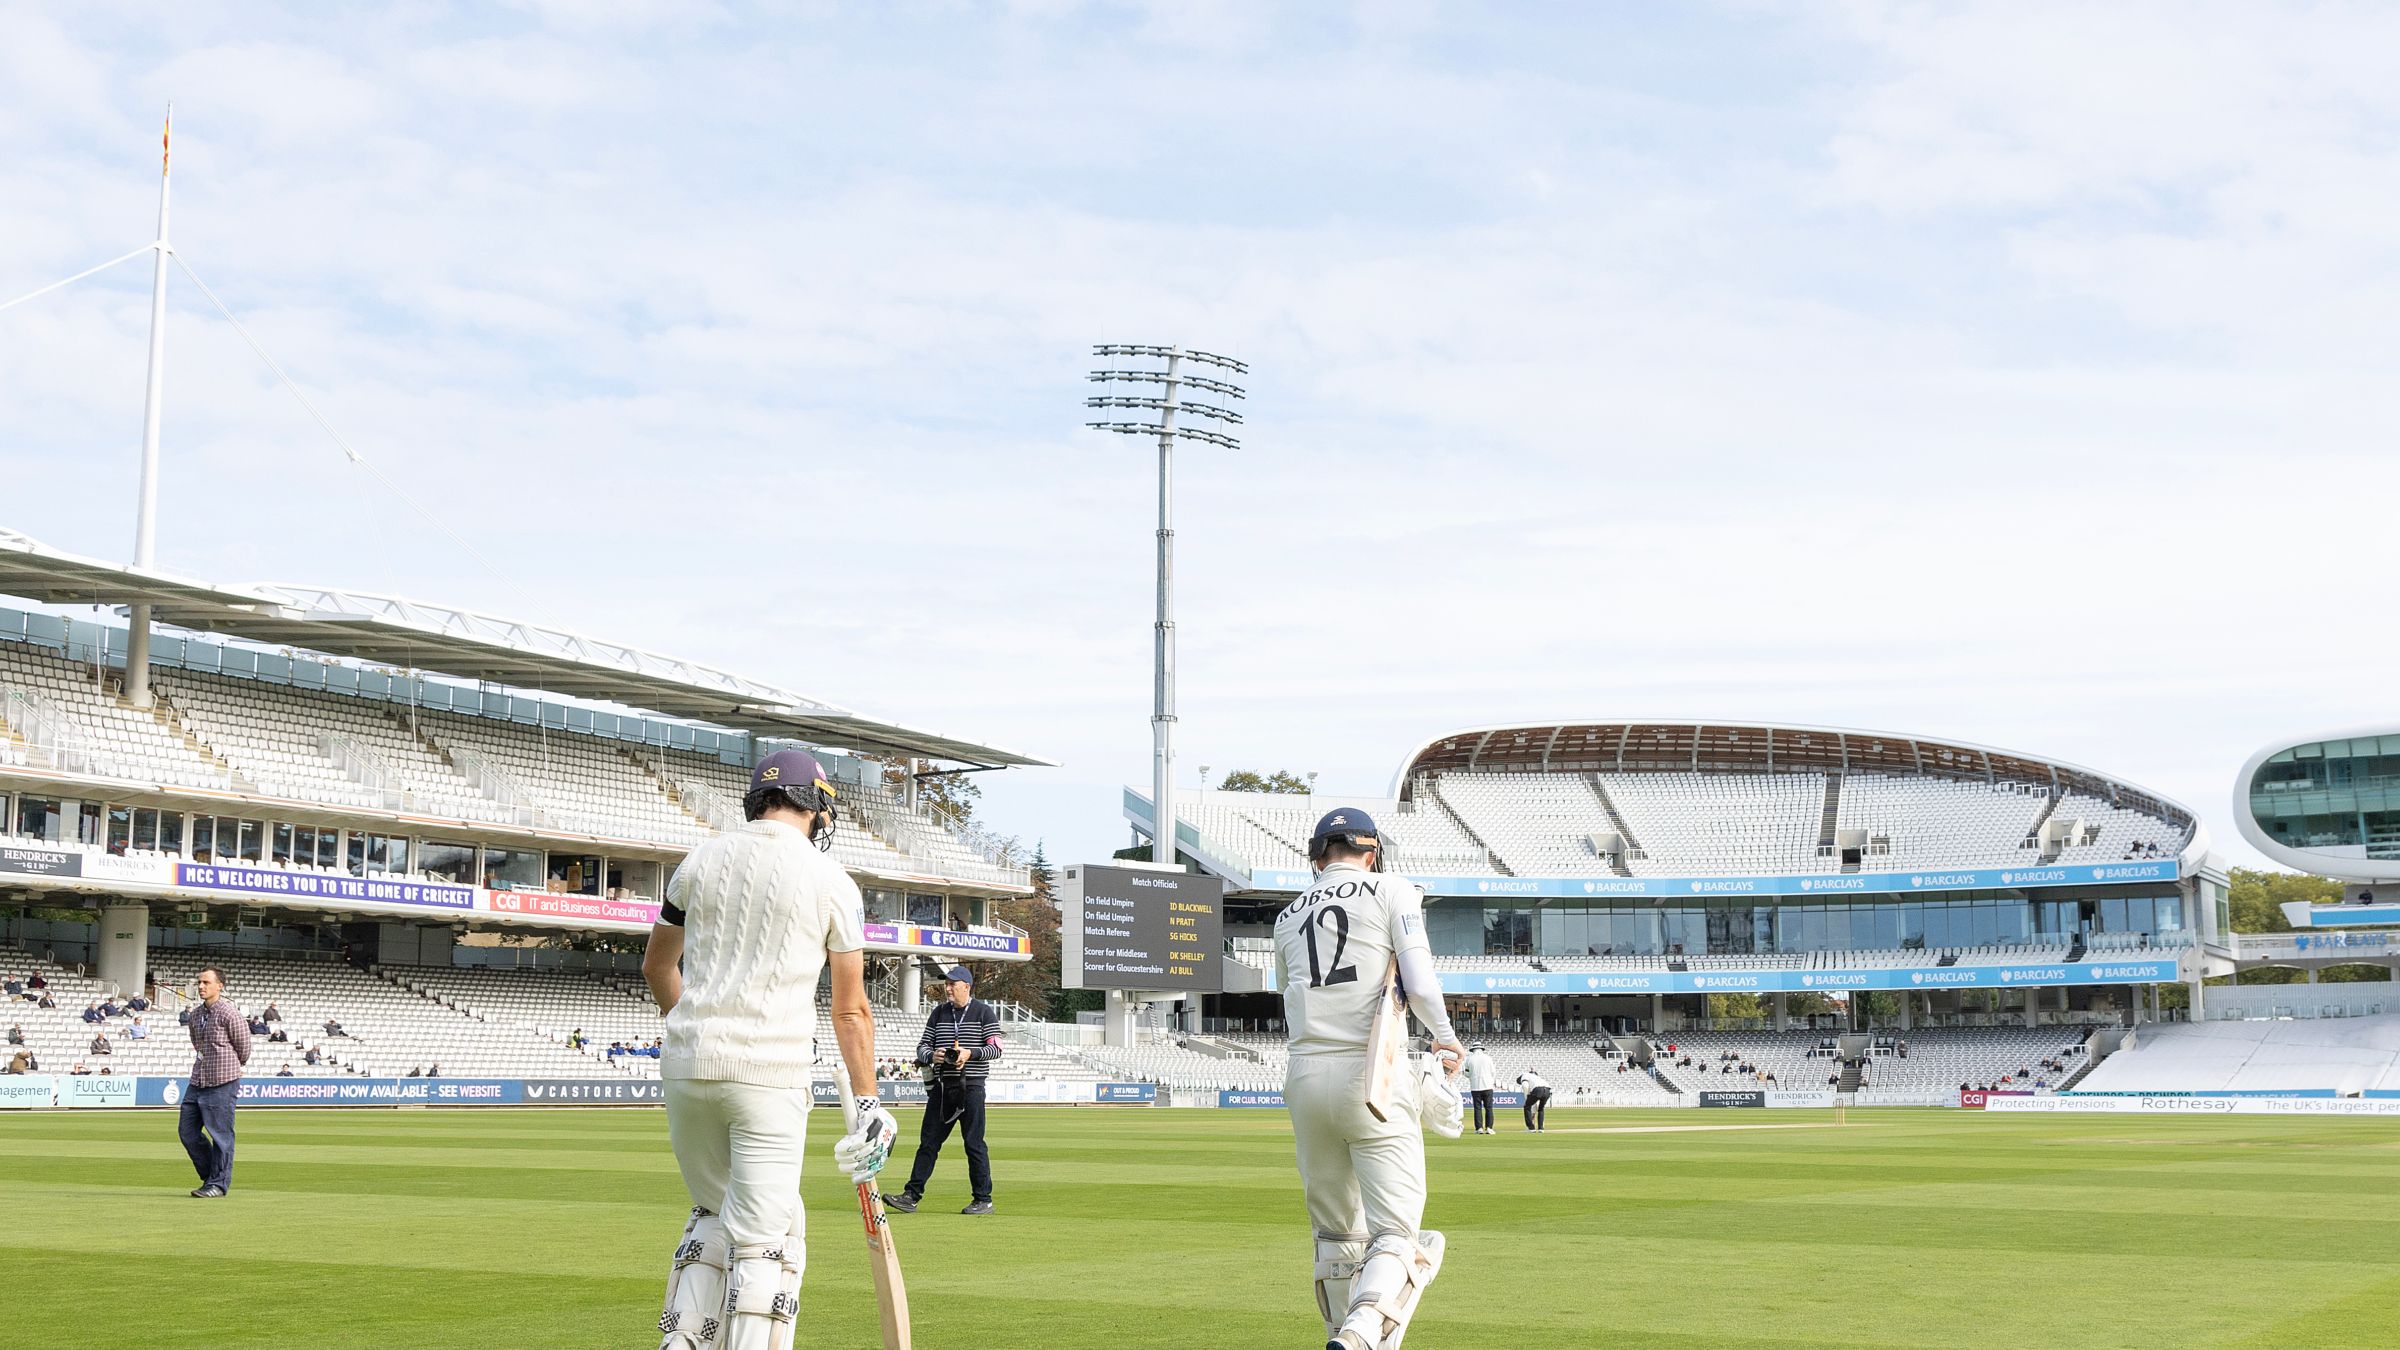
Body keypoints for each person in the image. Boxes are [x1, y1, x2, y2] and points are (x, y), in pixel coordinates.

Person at [644, 748, 893, 1350]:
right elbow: (850, 1007)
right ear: (815, 807)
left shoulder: (697, 862)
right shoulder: (831, 880)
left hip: (686, 1066)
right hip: (768, 1073)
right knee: (764, 1243)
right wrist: (868, 1103)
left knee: (715, 1216)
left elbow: (657, 966)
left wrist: (697, 1033)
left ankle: (685, 1341)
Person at [1271, 808, 1463, 1350]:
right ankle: (1360, 1332)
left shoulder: (1286, 917)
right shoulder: (1393, 890)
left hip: (1305, 1076)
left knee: (1335, 1236)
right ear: (1371, 851)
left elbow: (1288, 989)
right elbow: (1420, 986)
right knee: (1397, 1236)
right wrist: (1445, 1037)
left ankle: (1339, 1331)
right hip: (1372, 1072)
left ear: (1317, 857)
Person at [885, 965, 1004, 1215]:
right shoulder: (938, 1013)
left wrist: (970, 1053)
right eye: (946, 984)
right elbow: (922, 1046)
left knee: (973, 1144)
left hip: (971, 1087)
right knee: (928, 1142)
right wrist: (934, 1056)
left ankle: (983, 1199)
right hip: (942, 1088)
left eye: (952, 984)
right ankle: (911, 1195)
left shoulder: (984, 1012)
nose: (948, 988)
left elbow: (996, 1049)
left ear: (966, 987)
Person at [179, 966, 251, 1199]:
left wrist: (227, 1066)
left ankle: (218, 1184)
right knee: (187, 1132)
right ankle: (211, 1176)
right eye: (199, 982)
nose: (201, 986)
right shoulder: (196, 1015)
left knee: (221, 1135)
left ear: (220, 985)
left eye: (206, 982)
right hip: (198, 1079)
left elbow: (244, 1048)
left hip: (222, 1081)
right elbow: (196, 1043)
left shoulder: (230, 1014)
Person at [1462, 1042, 1498, 1135]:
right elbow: (1493, 1072)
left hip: (1475, 1086)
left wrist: (1470, 1075)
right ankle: (1489, 1128)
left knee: (1477, 1108)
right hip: (1487, 1086)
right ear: (1481, 1049)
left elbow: (1467, 1073)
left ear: (1473, 1049)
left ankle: (1479, 1128)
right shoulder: (1488, 1058)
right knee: (1489, 1108)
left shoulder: (1469, 1059)